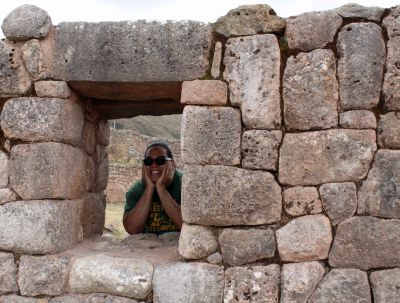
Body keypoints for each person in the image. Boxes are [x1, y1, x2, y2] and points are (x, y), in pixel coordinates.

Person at [123, 142, 183, 235]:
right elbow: (132, 229)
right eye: (148, 161)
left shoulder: (185, 185)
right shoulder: (136, 190)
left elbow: (189, 228)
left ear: (172, 164)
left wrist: (161, 189)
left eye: (160, 160)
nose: (154, 165)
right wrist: (149, 188)